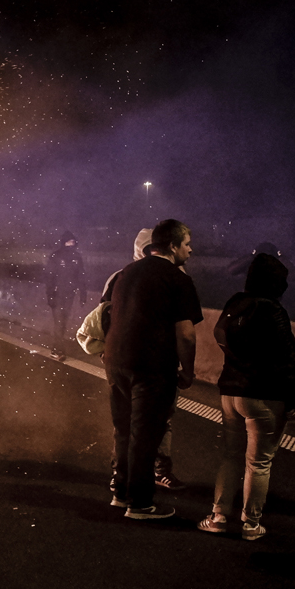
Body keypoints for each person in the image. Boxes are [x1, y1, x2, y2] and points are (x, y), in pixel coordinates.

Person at [104, 219, 202, 520]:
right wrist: (188, 370)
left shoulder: (126, 273)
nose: (191, 249)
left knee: (123, 430)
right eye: (186, 243)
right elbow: (185, 334)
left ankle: (120, 493)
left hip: (116, 363)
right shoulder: (178, 279)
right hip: (152, 368)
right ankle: (140, 503)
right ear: (172, 246)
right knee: (145, 436)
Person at [198, 254, 295, 540]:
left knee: (230, 456)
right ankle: (251, 524)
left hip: (231, 391)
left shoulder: (235, 303)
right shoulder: (273, 311)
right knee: (258, 462)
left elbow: (221, 335)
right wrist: (294, 399)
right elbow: (286, 359)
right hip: (264, 395)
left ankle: (218, 517)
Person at [46, 232, 84, 355]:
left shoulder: (77, 257)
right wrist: (50, 295)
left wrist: (83, 295)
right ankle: (57, 348)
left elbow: (81, 277)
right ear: (63, 242)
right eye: (68, 242)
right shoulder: (56, 256)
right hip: (57, 295)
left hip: (70, 295)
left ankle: (58, 345)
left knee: (64, 321)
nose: (71, 244)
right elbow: (50, 277)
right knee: (59, 322)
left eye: (73, 242)